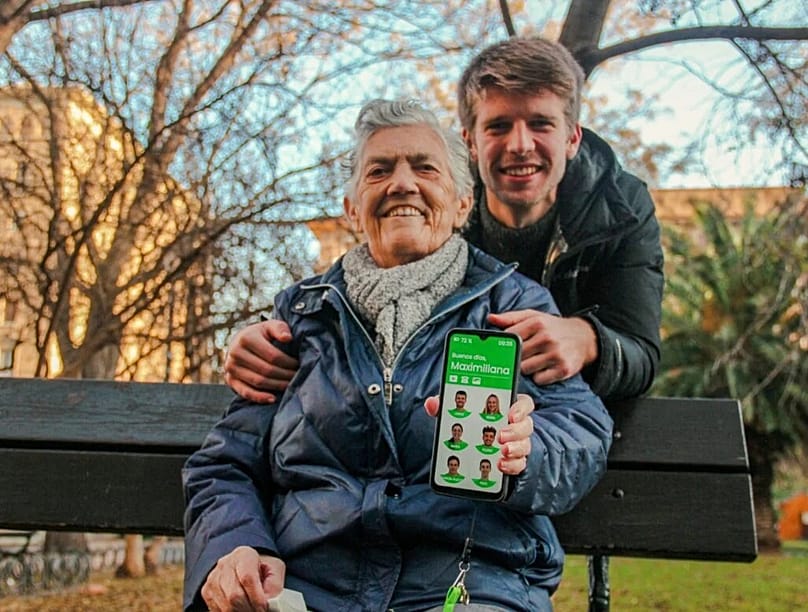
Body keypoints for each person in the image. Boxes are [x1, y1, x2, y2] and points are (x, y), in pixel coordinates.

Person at [183, 99, 612, 612]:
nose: (402, 184)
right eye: (379, 170)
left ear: (461, 204)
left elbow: (581, 433)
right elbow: (226, 462)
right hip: (308, 590)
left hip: (469, 585)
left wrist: (527, 453)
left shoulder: (512, 305)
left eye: (424, 167)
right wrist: (235, 546)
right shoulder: (300, 317)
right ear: (351, 208)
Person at [222, 36, 663, 404]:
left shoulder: (620, 211)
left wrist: (587, 340)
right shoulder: (435, 207)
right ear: (470, 141)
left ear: (572, 137)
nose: (520, 145)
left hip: (565, 430)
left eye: (541, 124)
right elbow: (363, 300)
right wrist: (264, 338)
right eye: (499, 126)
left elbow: (640, 350)